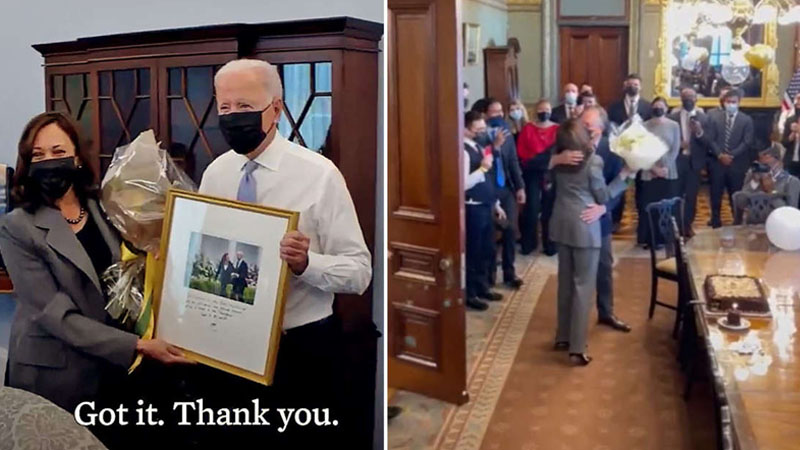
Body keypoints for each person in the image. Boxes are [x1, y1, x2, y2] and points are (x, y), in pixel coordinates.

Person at [192, 58, 372, 446]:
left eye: (245, 107)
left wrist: (307, 263)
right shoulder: (216, 174)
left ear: (275, 108)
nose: (232, 117)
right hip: (228, 348)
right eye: (225, 108)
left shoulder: (319, 175)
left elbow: (359, 273)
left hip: (300, 350)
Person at [0, 112, 192, 448]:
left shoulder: (104, 207)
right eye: (38, 156)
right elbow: (54, 314)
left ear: (76, 157)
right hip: (58, 370)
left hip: (113, 364)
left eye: (59, 152)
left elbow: (130, 272)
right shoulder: (17, 226)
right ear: (27, 165)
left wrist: (158, 253)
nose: (49, 162)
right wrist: (137, 345)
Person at [549, 119, 630, 366]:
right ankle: (577, 346)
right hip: (585, 227)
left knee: (565, 283)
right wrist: (625, 176)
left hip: (561, 223)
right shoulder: (593, 161)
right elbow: (603, 195)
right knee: (583, 286)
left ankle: (563, 336)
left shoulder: (558, 158)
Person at [463, 110, 505, 310]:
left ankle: (483, 287)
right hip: (473, 208)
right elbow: (462, 184)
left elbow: (489, 181)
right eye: (477, 129)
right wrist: (482, 169)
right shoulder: (462, 150)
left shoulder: (479, 147)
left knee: (487, 251)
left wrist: (496, 204)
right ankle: (470, 293)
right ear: (465, 129)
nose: (481, 132)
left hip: (487, 205)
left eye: (483, 128)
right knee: (474, 252)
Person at [485, 99, 525, 288]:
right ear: (486, 115)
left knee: (510, 230)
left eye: (501, 111)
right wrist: (495, 146)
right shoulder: (481, 136)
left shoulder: (507, 133)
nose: (499, 115)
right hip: (489, 189)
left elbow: (513, 162)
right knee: (491, 234)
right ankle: (489, 276)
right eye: (494, 112)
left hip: (506, 188)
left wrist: (520, 187)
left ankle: (510, 273)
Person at [700, 88, 754, 228]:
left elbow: (747, 141)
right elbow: (710, 139)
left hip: (736, 163)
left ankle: (737, 220)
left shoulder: (746, 120)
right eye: (728, 102)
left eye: (733, 102)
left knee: (735, 194)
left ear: (739, 103)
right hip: (717, 162)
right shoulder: (714, 117)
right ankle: (716, 220)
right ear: (724, 102)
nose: (730, 104)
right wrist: (720, 155)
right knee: (715, 193)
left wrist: (731, 155)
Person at [608, 74, 652, 230]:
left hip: (640, 154)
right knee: (620, 185)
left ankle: (641, 221)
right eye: (630, 84)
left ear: (640, 87)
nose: (632, 86)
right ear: (624, 86)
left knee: (642, 187)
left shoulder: (648, 107)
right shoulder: (613, 107)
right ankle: (615, 220)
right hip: (620, 154)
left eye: (636, 84)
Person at [517, 99, 558, 255]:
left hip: (551, 172)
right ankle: (529, 243)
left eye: (547, 109)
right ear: (536, 111)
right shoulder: (528, 129)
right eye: (540, 109)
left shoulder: (557, 129)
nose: (544, 112)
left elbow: (557, 150)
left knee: (550, 208)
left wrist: (545, 160)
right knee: (531, 207)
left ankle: (550, 244)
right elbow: (522, 152)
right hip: (531, 171)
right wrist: (539, 161)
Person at [638, 97, 681, 247]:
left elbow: (675, 148)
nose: (658, 108)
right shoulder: (644, 126)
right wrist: (654, 168)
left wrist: (665, 168)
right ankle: (651, 239)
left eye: (661, 106)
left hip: (668, 171)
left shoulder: (674, 125)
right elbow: (641, 149)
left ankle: (668, 238)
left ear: (666, 108)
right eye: (655, 106)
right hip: (649, 170)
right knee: (650, 205)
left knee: (668, 206)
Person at [668, 87, 709, 236]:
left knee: (691, 196)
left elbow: (707, 142)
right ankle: (676, 226)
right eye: (685, 97)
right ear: (681, 99)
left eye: (691, 97)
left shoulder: (704, 118)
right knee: (675, 195)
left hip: (695, 162)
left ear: (696, 99)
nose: (688, 100)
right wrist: (678, 144)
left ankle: (687, 225)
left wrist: (698, 131)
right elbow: (667, 140)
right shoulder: (672, 117)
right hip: (677, 161)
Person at [733, 143, 800, 222]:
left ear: (779, 162)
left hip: (778, 224)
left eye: (766, 164)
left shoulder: (791, 181)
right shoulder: (753, 176)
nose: (763, 166)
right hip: (752, 225)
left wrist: (771, 191)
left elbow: (790, 213)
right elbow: (741, 202)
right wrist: (754, 182)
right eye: (761, 162)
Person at [780, 93, 800, 178]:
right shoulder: (790, 120)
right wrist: (791, 136)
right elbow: (784, 142)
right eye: (798, 103)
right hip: (790, 161)